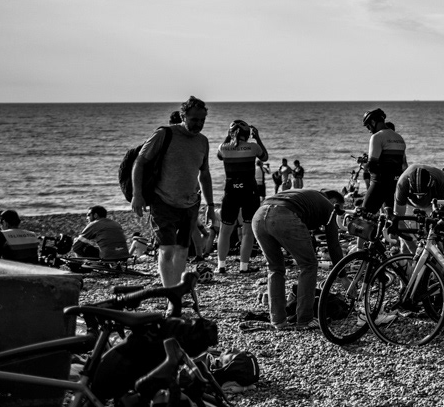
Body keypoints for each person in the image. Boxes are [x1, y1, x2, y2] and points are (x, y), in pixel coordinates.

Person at [130, 96, 215, 300]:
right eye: (194, 120)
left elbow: (204, 174)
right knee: (167, 250)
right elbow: (139, 163)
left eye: (202, 120)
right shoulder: (165, 134)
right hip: (163, 201)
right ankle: (171, 296)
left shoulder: (203, 141)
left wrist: (210, 205)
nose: (198, 124)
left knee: (182, 252)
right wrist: (137, 194)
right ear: (183, 116)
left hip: (190, 203)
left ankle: (176, 292)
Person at [251, 188, 345, 331]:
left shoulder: (306, 197)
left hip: (259, 215)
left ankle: (278, 320)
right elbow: (334, 245)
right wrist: (343, 276)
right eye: (339, 210)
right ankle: (305, 319)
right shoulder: (329, 207)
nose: (338, 214)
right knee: (309, 265)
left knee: (275, 268)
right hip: (284, 216)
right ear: (334, 202)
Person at [215, 119, 268, 274]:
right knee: (247, 230)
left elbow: (219, 157)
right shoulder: (253, 147)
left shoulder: (223, 147)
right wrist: (257, 138)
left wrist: (228, 137)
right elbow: (264, 157)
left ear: (230, 133)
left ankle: (221, 266)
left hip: (230, 191)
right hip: (249, 191)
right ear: (247, 133)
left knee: (225, 230)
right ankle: (244, 267)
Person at [359, 108, 407, 215]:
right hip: (395, 184)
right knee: (388, 218)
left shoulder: (376, 137)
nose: (368, 130)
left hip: (379, 183)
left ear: (373, 122)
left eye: (368, 126)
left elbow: (372, 165)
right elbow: (403, 165)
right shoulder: (399, 138)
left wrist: (365, 166)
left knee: (365, 216)